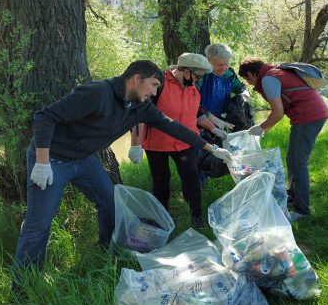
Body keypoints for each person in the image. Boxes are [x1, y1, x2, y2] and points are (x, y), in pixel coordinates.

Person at [13, 60, 232, 276]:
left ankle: (107, 252)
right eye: (154, 85)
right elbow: (45, 116)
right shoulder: (97, 93)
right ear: (137, 79)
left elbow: (173, 126)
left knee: (110, 203)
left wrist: (211, 148)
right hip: (52, 159)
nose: (156, 93)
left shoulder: (140, 105)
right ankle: (23, 286)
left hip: (85, 159)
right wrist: (42, 162)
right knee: (39, 222)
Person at [129, 53, 225, 228]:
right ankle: (161, 220)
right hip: (157, 143)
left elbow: (196, 114)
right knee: (160, 181)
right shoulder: (159, 84)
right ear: (186, 71)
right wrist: (135, 145)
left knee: (191, 179)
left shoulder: (193, 89)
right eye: (197, 76)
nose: (198, 80)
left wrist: (215, 129)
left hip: (185, 143)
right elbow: (139, 113)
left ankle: (197, 219)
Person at [238, 57, 328, 222]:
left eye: (247, 79)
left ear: (251, 74)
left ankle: (302, 210)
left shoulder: (268, 79)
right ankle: (293, 197)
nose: (250, 84)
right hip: (312, 113)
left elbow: (277, 113)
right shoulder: (276, 72)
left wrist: (261, 128)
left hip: (308, 117)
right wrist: (264, 127)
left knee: (298, 161)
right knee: (293, 159)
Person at [197, 43, 251, 131]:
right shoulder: (201, 75)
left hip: (224, 121)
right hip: (201, 122)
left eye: (226, 64)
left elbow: (240, 88)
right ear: (208, 61)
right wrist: (212, 118)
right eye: (219, 65)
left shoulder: (229, 74)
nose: (223, 68)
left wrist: (245, 96)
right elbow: (193, 102)